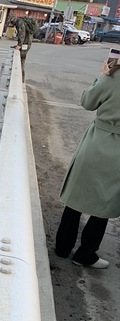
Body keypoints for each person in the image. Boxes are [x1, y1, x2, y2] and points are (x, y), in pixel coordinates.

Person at [55, 59, 120, 269]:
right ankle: (85, 254)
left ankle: (62, 248)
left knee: (76, 197)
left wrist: (102, 76)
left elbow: (87, 102)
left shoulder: (112, 77)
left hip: (97, 142)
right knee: (103, 203)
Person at [8, 13, 35, 80]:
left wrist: (19, 45)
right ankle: (21, 77)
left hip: (25, 43)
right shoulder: (20, 21)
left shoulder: (19, 23)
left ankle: (21, 78)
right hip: (27, 42)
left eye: (11, 22)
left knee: (21, 59)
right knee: (21, 59)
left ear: (12, 19)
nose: (11, 24)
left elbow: (22, 34)